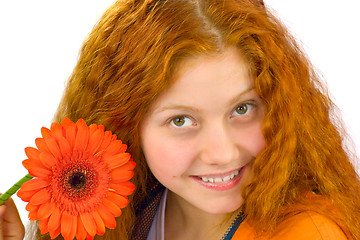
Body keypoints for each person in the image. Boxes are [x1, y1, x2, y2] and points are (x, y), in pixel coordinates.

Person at [2, 0, 360, 239]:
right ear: (125, 123)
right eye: (181, 121)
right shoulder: (136, 209)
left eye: (242, 109)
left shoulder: (308, 232)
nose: (222, 154)